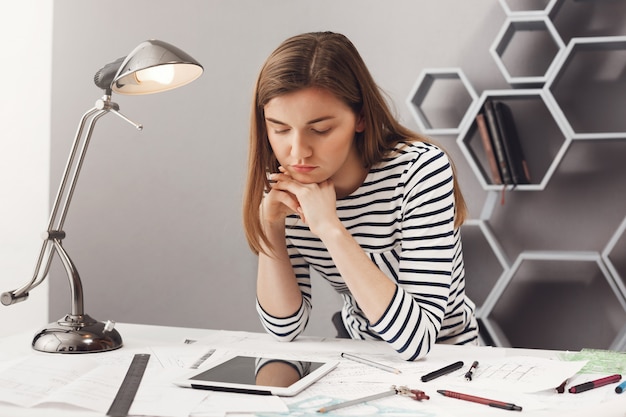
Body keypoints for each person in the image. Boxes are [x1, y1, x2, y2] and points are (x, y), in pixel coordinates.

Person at [243, 31, 478, 361]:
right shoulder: (287, 188)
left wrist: (331, 229)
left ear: (361, 118)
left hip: (448, 359)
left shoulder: (420, 170)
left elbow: (418, 340)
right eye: (280, 129)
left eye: (320, 129)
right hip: (361, 356)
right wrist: (271, 226)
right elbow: (284, 329)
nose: (297, 152)